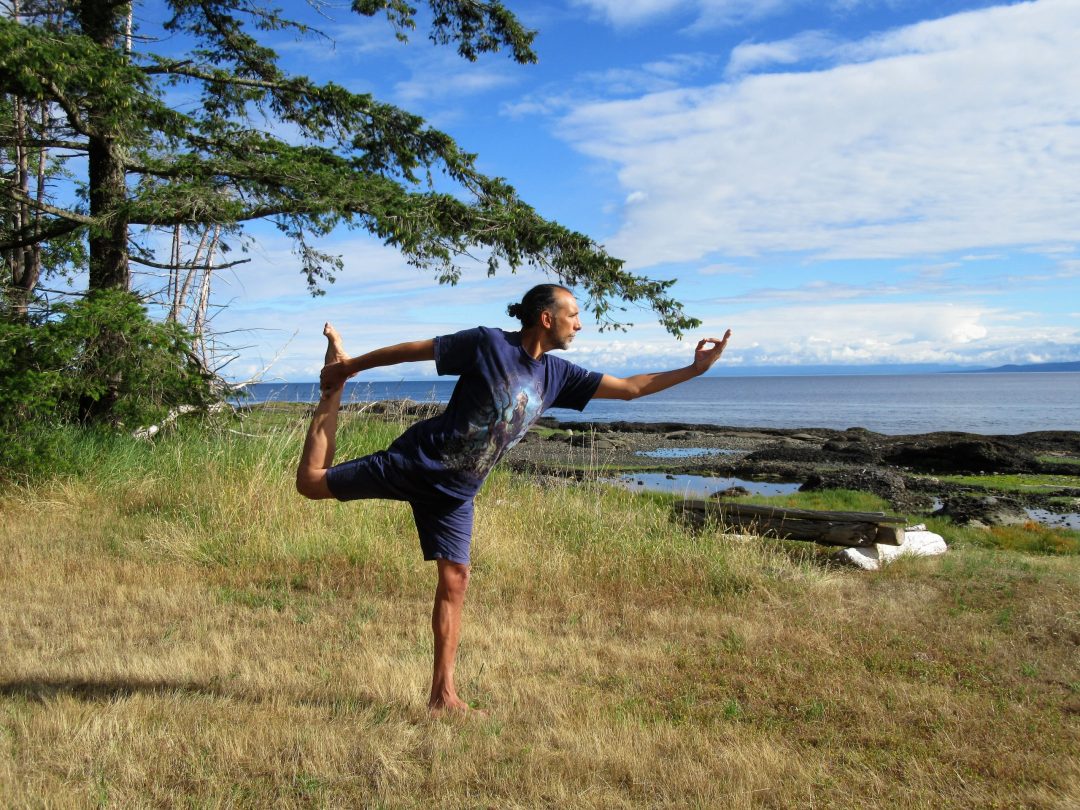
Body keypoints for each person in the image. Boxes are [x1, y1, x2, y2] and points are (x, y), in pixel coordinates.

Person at [295, 283, 731, 714]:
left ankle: (442, 696)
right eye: (573, 315)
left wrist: (695, 370)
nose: (579, 324)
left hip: (457, 496)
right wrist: (348, 368)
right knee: (311, 483)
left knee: (456, 580)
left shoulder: (559, 375)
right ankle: (331, 394)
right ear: (546, 318)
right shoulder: (488, 344)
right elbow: (415, 350)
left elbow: (631, 388)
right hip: (417, 463)